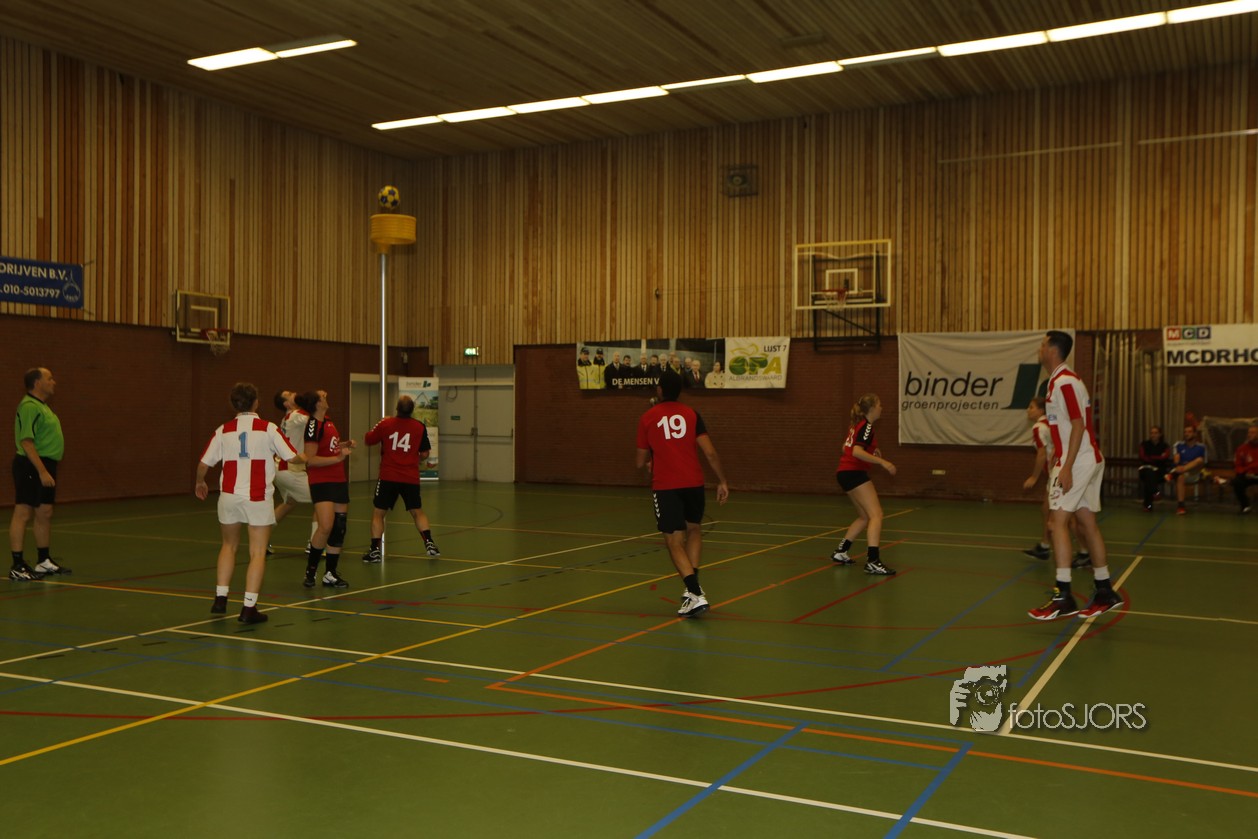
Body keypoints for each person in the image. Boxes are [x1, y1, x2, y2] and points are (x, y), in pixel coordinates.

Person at [1028, 331, 1122, 620]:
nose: (1039, 349)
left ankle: (1063, 595)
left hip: (1078, 461)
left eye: (1042, 344)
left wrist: (1066, 466)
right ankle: (1105, 591)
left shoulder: (1065, 382)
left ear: (1052, 350)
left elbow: (1079, 424)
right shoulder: (1058, 381)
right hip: (1082, 458)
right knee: (1086, 523)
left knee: (1056, 522)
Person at [195, 382, 303, 624]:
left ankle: (220, 598)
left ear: (234, 404)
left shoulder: (223, 430)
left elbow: (203, 464)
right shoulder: (269, 428)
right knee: (257, 553)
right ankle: (248, 608)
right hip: (257, 497)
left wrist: (200, 482)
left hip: (229, 496)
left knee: (228, 546)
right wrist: (307, 457)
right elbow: (292, 457)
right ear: (256, 402)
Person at [635, 370, 730, 617]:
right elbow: (710, 453)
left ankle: (695, 593)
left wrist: (651, 460)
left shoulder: (648, 417)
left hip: (667, 486)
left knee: (673, 540)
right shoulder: (692, 414)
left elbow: (639, 461)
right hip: (694, 484)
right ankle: (691, 592)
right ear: (679, 391)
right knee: (694, 529)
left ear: (659, 390)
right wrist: (722, 481)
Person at [361, 395, 441, 563]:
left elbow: (368, 439)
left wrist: (379, 423)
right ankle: (429, 543)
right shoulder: (419, 427)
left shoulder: (386, 424)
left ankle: (375, 550)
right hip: (410, 477)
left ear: (397, 409)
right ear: (412, 410)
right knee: (417, 511)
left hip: (388, 476)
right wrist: (413, 458)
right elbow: (425, 453)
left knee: (379, 513)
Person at [9, 367, 70, 580]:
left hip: (46, 465)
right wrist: (42, 471)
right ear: (37, 383)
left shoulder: (42, 407)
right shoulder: (29, 406)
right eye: (49, 378)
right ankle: (17, 565)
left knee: (44, 512)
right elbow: (26, 442)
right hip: (31, 464)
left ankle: (43, 561)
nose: (54, 382)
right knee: (23, 512)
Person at [831, 393, 897, 575]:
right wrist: (883, 462)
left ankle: (841, 551)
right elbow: (856, 452)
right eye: (880, 404)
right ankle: (873, 561)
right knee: (876, 514)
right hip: (854, 473)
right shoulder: (866, 426)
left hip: (844, 473)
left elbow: (845, 448)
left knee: (864, 517)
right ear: (872, 408)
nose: (882, 408)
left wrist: (871, 451)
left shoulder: (857, 425)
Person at [1021, 398, 1090, 568]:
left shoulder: (1039, 427)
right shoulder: (1052, 424)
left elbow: (1041, 455)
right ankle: (1044, 546)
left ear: (1041, 410)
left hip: (1058, 474)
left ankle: (1084, 552)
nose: (1028, 410)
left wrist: (1034, 477)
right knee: (1046, 510)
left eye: (1031, 407)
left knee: (1066, 517)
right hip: (1058, 472)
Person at [297, 389, 355, 589]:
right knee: (325, 526)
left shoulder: (328, 421)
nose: (326, 398)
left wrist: (344, 444)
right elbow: (310, 459)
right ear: (316, 404)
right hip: (321, 481)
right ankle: (311, 571)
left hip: (338, 478)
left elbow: (329, 446)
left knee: (339, 527)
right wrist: (338, 458)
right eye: (322, 398)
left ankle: (330, 573)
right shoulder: (313, 425)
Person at [272, 390, 317, 546]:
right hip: (290, 470)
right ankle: (315, 544)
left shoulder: (287, 418)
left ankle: (260, 538)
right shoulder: (297, 416)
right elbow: (316, 419)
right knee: (322, 500)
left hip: (280, 469)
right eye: (289, 394)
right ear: (287, 404)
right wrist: (318, 400)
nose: (294, 393)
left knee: (289, 503)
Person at [1167, 424, 1208, 515]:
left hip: (1195, 472)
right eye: (1185, 432)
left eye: (1189, 432)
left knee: (1199, 460)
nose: (1186, 434)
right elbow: (1176, 459)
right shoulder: (1178, 445)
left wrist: (1185, 467)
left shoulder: (1202, 447)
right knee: (1180, 477)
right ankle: (1181, 506)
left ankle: (1173, 474)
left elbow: (1203, 463)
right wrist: (1178, 466)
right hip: (1182, 472)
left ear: (1194, 434)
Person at [1136, 425, 1172, 512]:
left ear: (1160, 434)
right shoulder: (1144, 444)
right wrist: (1157, 457)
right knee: (1149, 474)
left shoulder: (1165, 446)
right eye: (1151, 433)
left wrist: (1151, 457)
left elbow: (1164, 457)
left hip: (1160, 471)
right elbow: (1142, 456)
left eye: (1155, 433)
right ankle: (1155, 492)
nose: (1153, 435)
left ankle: (1148, 505)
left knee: (1150, 477)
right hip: (1145, 469)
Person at [1229, 423, 1258, 514]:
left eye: (1253, 433)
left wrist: (1252, 470)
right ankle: (1245, 505)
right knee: (1237, 482)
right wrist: (1244, 472)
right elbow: (1238, 465)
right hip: (1247, 475)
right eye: (1249, 432)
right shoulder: (1242, 449)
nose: (1250, 435)